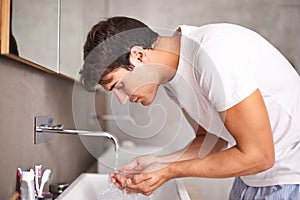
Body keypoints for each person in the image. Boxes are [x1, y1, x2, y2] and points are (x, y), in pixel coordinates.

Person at [80, 16, 300, 199]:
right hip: (253, 180)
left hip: (290, 178)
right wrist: (157, 162)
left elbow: (259, 156)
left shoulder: (214, 54)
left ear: (138, 55)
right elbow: (210, 140)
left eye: (119, 85)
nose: (122, 99)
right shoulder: (173, 80)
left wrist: (169, 171)